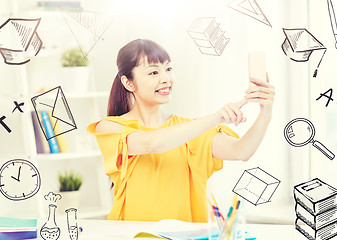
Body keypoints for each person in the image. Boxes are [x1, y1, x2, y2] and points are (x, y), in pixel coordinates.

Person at [87, 39, 275, 222]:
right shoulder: (110, 128)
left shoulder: (190, 130)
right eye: (153, 72)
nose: (165, 79)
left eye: (168, 69)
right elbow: (151, 143)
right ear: (129, 83)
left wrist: (265, 112)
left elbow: (241, 151)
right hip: (132, 236)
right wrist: (217, 116)